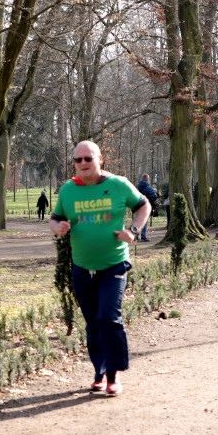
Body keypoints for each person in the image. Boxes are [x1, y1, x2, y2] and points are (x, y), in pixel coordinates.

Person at [50, 141, 151, 395]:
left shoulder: (118, 184)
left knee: (108, 317)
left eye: (88, 158)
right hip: (82, 267)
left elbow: (143, 205)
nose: (83, 163)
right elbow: (55, 218)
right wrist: (57, 228)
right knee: (93, 323)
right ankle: (99, 371)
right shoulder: (68, 190)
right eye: (78, 160)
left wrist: (133, 230)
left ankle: (114, 376)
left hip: (113, 264)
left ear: (100, 159)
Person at [135, 174, 159, 241]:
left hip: (137, 205)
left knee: (137, 220)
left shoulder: (137, 186)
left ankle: (136, 236)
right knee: (144, 221)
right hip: (145, 205)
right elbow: (155, 197)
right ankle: (143, 236)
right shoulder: (149, 188)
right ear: (148, 180)